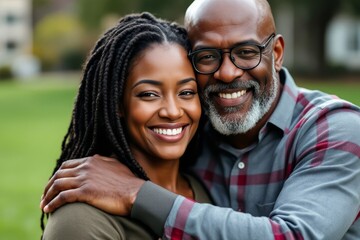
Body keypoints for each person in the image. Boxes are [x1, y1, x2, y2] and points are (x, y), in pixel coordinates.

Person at [41, 0, 360, 239]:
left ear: (276, 53)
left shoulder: (334, 128)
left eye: (246, 52)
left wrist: (138, 194)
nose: (227, 72)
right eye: (207, 56)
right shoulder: (197, 134)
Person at [40, 12, 213, 239]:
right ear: (118, 103)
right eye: (149, 94)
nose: (172, 111)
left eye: (187, 92)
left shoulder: (205, 191)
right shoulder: (81, 218)